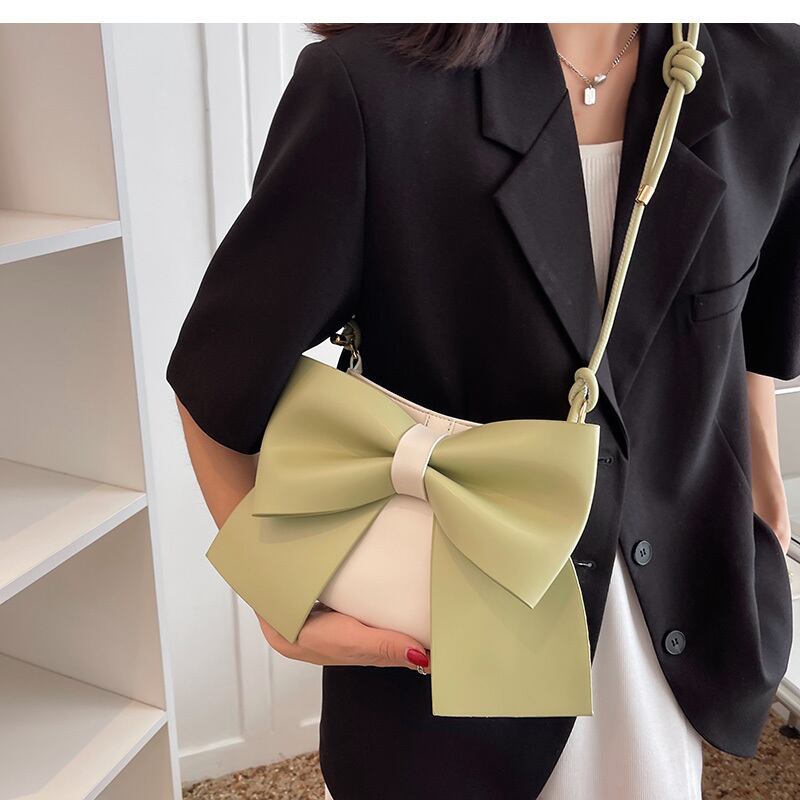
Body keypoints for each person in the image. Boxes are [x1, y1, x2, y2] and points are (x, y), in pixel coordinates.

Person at [166, 22, 800, 799]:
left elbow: (755, 310)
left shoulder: (772, 75)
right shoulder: (367, 89)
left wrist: (764, 485)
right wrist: (275, 587)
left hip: (658, 656)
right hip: (444, 662)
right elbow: (215, 378)